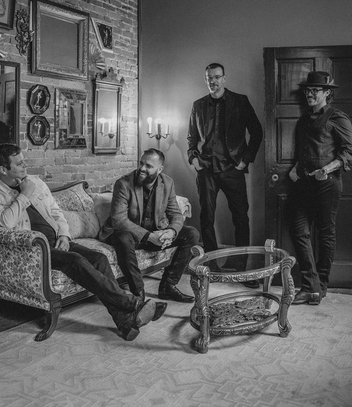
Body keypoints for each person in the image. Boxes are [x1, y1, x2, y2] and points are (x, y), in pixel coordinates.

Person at [0, 144, 166, 341]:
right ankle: (134, 303)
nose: (25, 165)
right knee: (76, 261)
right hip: (33, 250)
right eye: (19, 163)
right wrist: (25, 195)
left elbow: (55, 211)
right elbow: (5, 222)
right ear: (3, 169)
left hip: (57, 241)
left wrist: (64, 235)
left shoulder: (35, 182)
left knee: (99, 259)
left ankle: (124, 322)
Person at [187, 63, 263, 288]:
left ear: (224, 79)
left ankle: (242, 271)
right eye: (209, 78)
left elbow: (257, 131)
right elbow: (192, 137)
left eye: (217, 77)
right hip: (206, 169)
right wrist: (193, 159)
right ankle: (212, 267)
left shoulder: (240, 101)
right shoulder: (198, 105)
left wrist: (245, 160)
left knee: (241, 218)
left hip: (232, 169)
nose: (213, 81)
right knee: (206, 218)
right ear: (206, 79)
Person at [288, 71, 352, 305]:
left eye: (315, 90)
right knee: (299, 231)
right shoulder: (304, 120)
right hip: (303, 183)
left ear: (327, 92)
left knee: (326, 233)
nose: (309, 94)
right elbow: (303, 150)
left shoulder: (337, 117)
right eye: (307, 90)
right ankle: (311, 286)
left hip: (327, 184)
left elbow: (350, 153)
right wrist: (295, 169)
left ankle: (320, 286)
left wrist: (326, 169)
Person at [100, 148, 200, 303]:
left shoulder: (167, 183)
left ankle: (168, 286)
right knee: (123, 238)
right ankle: (138, 293)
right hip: (125, 233)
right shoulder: (124, 184)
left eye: (148, 166)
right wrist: (149, 236)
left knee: (191, 233)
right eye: (141, 163)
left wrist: (171, 232)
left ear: (160, 169)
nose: (142, 168)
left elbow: (175, 214)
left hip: (153, 233)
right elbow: (119, 220)